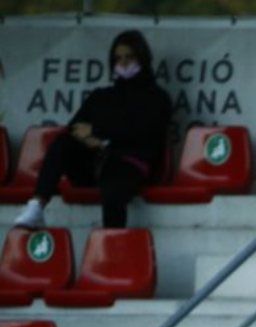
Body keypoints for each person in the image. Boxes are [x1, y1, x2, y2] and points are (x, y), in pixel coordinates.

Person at [14, 30, 172, 230]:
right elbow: (73, 128)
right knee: (63, 144)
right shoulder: (102, 97)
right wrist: (97, 141)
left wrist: (98, 131)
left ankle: (110, 245)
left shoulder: (157, 98)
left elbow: (142, 132)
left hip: (130, 164)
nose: (123, 63)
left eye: (129, 57)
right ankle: (36, 206)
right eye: (118, 58)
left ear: (142, 58)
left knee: (113, 184)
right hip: (94, 162)